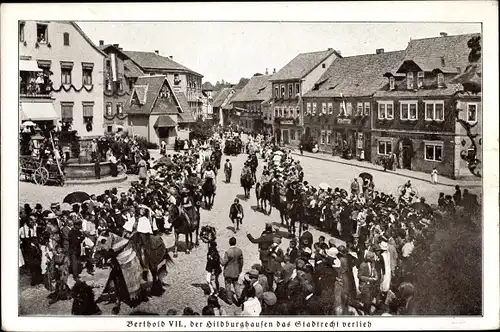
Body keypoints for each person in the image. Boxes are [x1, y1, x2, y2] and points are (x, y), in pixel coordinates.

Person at [220, 237, 243, 303]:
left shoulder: (228, 252)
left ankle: (229, 300)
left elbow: (223, 263)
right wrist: (240, 269)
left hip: (228, 272)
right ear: (235, 242)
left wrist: (219, 257)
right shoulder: (239, 251)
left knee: (228, 286)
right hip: (236, 271)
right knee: (236, 285)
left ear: (229, 243)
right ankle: (239, 298)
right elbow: (241, 262)